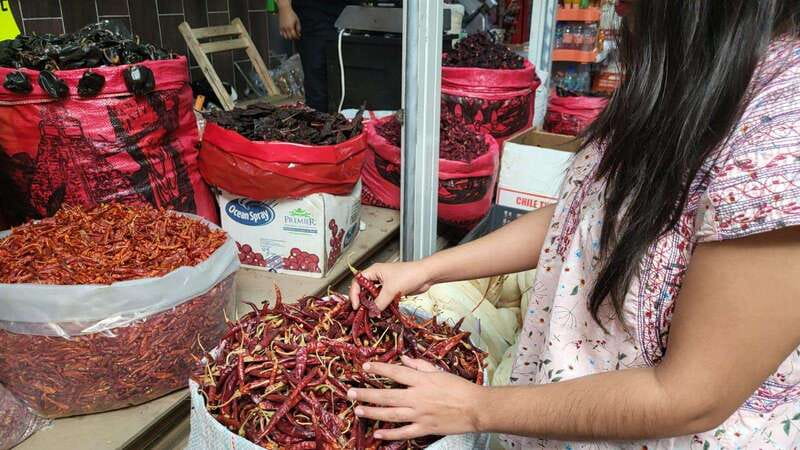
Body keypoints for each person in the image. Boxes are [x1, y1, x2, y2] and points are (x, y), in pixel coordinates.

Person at [348, 1, 800, 447]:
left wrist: (474, 407)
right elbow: (587, 218)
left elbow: (691, 396)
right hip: (575, 415)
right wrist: (427, 269)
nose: (614, 5)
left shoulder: (781, 139)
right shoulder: (693, 74)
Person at [277, 0, 347, 112]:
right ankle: (318, 125)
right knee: (318, 79)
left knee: (351, 78)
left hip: (352, 9)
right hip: (313, 10)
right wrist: (284, 7)